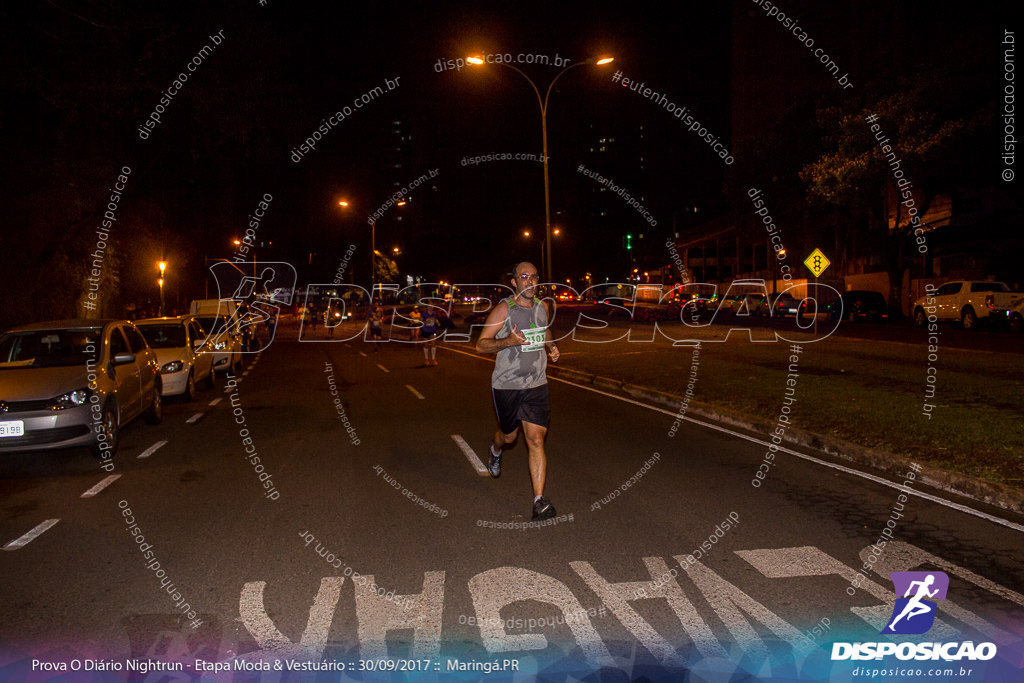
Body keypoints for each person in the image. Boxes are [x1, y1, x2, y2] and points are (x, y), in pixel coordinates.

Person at [476, 261, 560, 520]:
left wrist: (552, 346)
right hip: (507, 385)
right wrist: (509, 341)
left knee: (535, 439)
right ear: (514, 282)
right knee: (510, 437)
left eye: (534, 277)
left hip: (536, 384)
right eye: (524, 277)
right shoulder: (504, 310)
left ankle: (538, 501)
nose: (530, 282)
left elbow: (543, 330)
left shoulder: (542, 307)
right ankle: (496, 448)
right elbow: (480, 346)